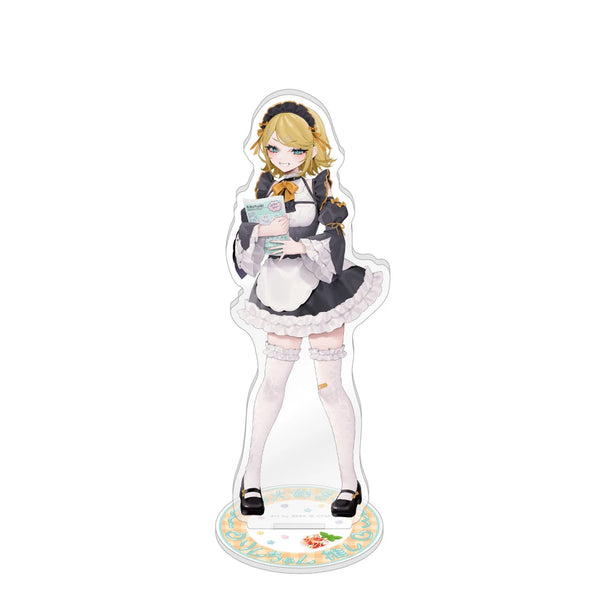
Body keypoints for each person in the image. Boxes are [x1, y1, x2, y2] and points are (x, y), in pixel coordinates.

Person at [233, 100, 383, 517]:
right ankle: (251, 476)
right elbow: (244, 253)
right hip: (279, 292)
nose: (284, 157)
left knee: (329, 387)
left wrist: (302, 246)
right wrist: (261, 230)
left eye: (295, 149)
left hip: (319, 289)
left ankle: (349, 482)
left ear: (311, 147)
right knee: (272, 385)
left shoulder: (320, 187)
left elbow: (335, 238)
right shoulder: (264, 187)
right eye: (275, 148)